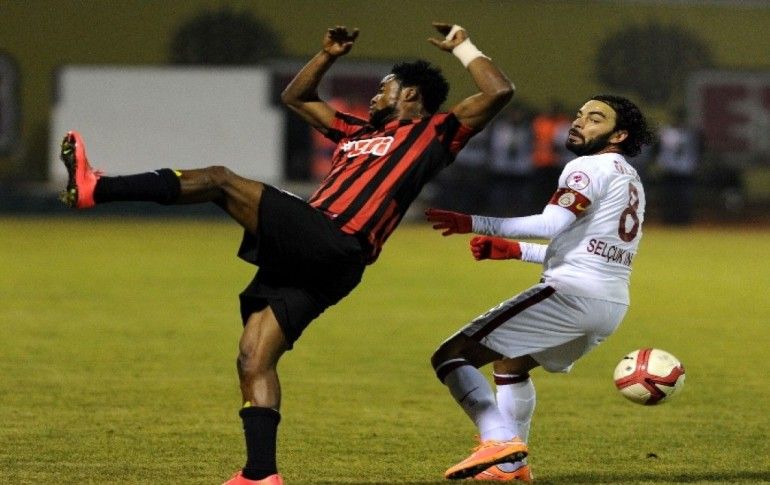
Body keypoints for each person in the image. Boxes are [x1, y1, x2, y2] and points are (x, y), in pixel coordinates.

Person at [58, 22, 514, 485]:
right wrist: (327, 55)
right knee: (253, 357)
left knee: (219, 179)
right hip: (321, 260)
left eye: (384, 88)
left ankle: (98, 188)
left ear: (411, 94)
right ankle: (260, 474)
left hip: (334, 238)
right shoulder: (354, 131)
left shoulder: (436, 132)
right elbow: (296, 98)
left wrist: (463, 46)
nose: (376, 96)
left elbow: (498, 91)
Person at [425, 95, 653, 481]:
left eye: (595, 118)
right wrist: (516, 250)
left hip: (571, 295)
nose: (579, 122)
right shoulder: (630, 179)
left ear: (619, 135)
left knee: (451, 356)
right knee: (511, 365)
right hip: (610, 305)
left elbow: (550, 225)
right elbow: (592, 251)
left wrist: (474, 222)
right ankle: (511, 467)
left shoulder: (587, 167)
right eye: (579, 115)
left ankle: (498, 439)